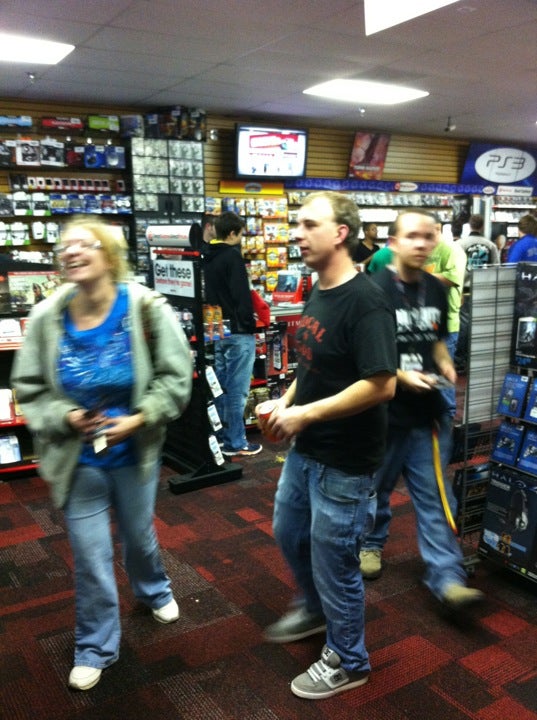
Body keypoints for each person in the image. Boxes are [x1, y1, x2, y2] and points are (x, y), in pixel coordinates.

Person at [10, 216, 193, 691]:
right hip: (79, 462)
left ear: (109, 255)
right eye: (64, 247)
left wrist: (140, 417)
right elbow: (29, 387)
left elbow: (176, 377)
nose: (71, 252)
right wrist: (66, 416)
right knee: (91, 559)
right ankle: (95, 646)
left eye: (83, 244)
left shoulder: (146, 308)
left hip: (135, 455)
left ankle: (153, 589)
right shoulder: (48, 317)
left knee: (138, 538)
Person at [257, 191, 397, 700]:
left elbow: (381, 384)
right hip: (307, 450)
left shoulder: (368, 302)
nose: (297, 233)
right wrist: (285, 401)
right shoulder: (320, 289)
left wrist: (305, 414)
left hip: (346, 463)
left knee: (335, 564)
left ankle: (349, 660)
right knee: (289, 532)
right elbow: (314, 365)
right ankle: (317, 611)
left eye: (308, 224)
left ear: (340, 233)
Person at [359, 208, 484, 610]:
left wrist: (444, 363)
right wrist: (400, 375)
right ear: (393, 242)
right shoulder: (372, 291)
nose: (421, 244)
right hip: (382, 414)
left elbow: (435, 340)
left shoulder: (435, 287)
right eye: (412, 236)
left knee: (434, 497)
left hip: (426, 415)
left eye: (428, 236)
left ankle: (447, 577)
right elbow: (362, 356)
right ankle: (370, 545)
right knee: (374, 490)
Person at [203, 211, 262, 457]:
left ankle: (222, 437)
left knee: (221, 387)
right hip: (238, 330)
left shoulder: (208, 256)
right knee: (237, 389)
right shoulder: (232, 256)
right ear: (232, 233)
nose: (241, 239)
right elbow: (241, 296)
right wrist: (249, 324)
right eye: (240, 234)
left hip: (217, 328)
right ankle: (236, 442)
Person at [424, 217, 466, 418]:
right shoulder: (426, 250)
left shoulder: (451, 249)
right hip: (425, 322)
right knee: (430, 374)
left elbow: (453, 278)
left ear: (438, 228)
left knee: (443, 375)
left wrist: (418, 275)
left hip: (446, 324)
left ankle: (446, 420)